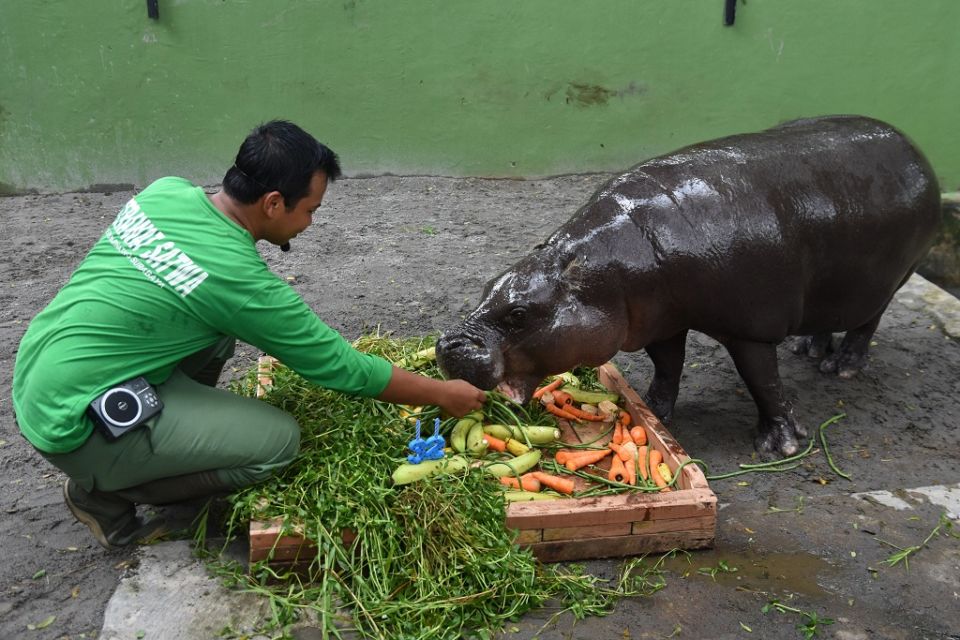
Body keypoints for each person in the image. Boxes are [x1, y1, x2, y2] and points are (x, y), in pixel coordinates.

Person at [11, 120, 486, 549]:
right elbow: (340, 367)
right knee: (278, 443)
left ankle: (155, 449)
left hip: (41, 368)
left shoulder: (166, 192)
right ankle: (106, 491)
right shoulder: (240, 283)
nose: (311, 222)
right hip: (73, 422)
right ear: (273, 202)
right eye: (310, 209)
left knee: (214, 335)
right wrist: (441, 393)